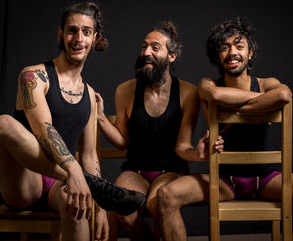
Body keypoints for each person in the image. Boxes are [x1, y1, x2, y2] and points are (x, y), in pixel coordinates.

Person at [157, 18, 293, 241]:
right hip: (224, 180)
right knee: (167, 195)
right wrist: (263, 104)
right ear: (218, 55)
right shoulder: (209, 84)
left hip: (267, 179)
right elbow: (216, 96)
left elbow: (284, 95)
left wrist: (236, 107)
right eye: (224, 48)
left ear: (251, 53)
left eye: (239, 46)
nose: (232, 53)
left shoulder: (267, 83)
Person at [0, 2, 145, 241]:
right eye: (72, 30)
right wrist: (75, 171)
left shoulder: (90, 97)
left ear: (94, 38)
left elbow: (90, 155)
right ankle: (90, 184)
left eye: (86, 31)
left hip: (62, 183)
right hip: (24, 181)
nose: (78, 38)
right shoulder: (33, 76)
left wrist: (101, 209)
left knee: (77, 203)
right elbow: (43, 129)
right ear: (61, 34)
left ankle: (88, 186)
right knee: (2, 124)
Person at [95, 21, 223, 240]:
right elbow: (122, 142)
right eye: (144, 47)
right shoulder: (124, 90)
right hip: (134, 171)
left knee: (158, 204)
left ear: (171, 56)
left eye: (155, 47)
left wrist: (199, 153)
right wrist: (100, 118)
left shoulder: (187, 93)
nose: (146, 52)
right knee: (122, 209)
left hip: (170, 171)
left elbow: (182, 147)